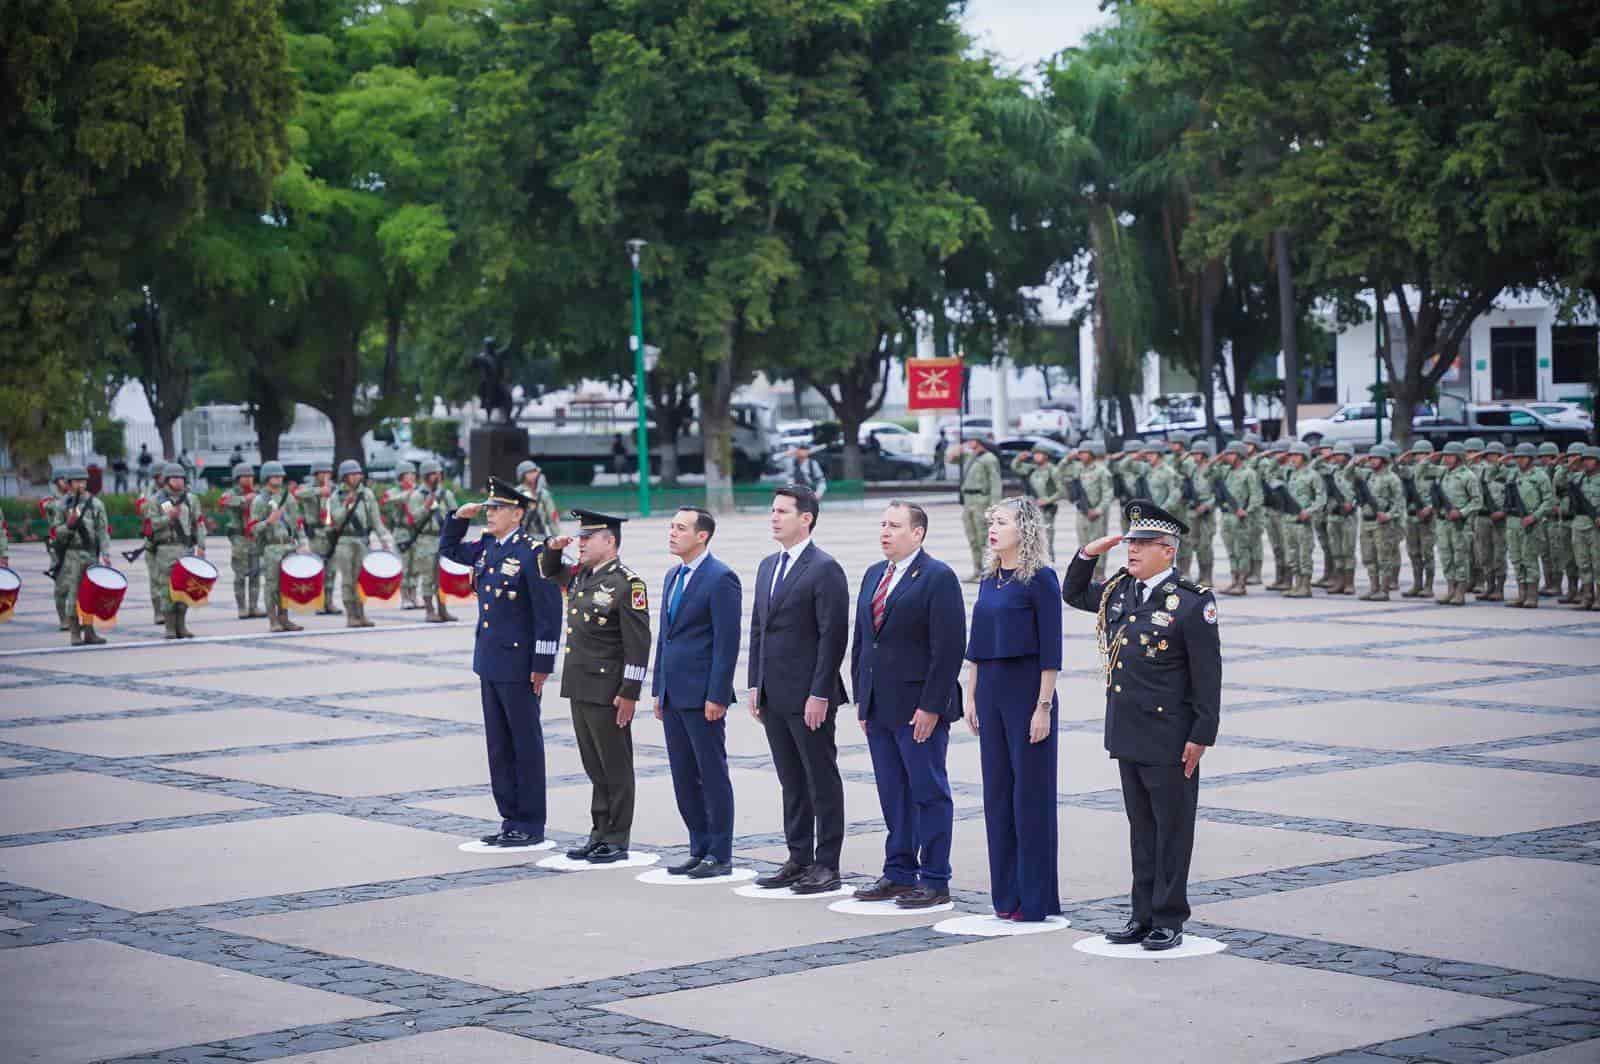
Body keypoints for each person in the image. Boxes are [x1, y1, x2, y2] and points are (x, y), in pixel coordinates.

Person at [1063, 499, 1221, 951]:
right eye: (1130, 542)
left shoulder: (1191, 603)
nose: (1131, 550)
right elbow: (1073, 594)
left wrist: (1200, 735)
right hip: (1128, 732)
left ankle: (1169, 917)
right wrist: (1088, 554)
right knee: (1141, 828)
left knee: (1172, 827)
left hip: (1170, 736)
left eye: (1142, 543)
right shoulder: (1120, 591)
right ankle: (1142, 914)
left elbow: (1207, 677)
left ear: (1167, 551)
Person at [851, 501, 966, 909]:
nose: (885, 532)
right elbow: (862, 642)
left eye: (895, 526)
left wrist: (932, 706)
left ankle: (935, 878)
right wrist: (862, 701)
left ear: (917, 533)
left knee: (928, 792)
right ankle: (899, 871)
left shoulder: (938, 577)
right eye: (883, 524)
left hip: (918, 708)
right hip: (880, 705)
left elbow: (949, 648)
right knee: (892, 792)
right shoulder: (872, 575)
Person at [441, 478, 563, 848]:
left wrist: (542, 665)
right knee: (498, 745)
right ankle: (510, 818)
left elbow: (548, 613)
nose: (489, 513)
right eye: (488, 507)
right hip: (490, 661)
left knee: (524, 743)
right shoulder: (488, 547)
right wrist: (457, 517)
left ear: (518, 513)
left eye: (497, 508)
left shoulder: (534, 552)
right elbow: (448, 551)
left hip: (520, 664)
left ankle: (530, 822)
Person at [748, 485, 850, 894]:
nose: (774, 518)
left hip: (810, 695)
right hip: (774, 692)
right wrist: (755, 682)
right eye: (772, 511)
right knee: (790, 778)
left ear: (805, 518)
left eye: (782, 511)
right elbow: (758, 629)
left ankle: (827, 863)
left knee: (819, 778)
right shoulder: (767, 566)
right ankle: (798, 857)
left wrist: (820, 693)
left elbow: (833, 636)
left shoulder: (824, 568)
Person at [963, 497, 1061, 922]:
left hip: (1027, 694)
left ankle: (1036, 899)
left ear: (1024, 528)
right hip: (990, 692)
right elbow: (977, 645)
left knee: (1031, 799)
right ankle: (1007, 897)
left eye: (1001, 522)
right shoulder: (989, 580)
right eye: (991, 522)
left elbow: (1051, 652)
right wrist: (970, 695)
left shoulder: (1041, 580)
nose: (993, 528)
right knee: (997, 796)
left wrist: (1043, 707)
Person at [539, 509, 652, 862]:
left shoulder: (627, 583)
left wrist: (629, 693)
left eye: (590, 537)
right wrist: (554, 548)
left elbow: (638, 644)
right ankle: (599, 832)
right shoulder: (581, 576)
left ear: (611, 541)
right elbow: (548, 569)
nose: (582, 542)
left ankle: (617, 837)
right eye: (581, 536)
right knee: (594, 765)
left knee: (615, 766)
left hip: (609, 691)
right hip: (580, 685)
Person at [653, 507, 742, 878]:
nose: (673, 533)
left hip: (703, 694)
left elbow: (726, 642)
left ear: (702, 536)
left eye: (681, 528)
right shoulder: (674, 575)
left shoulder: (721, 578)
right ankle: (698, 846)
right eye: (672, 527)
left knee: (711, 773)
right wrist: (658, 688)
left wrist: (718, 695)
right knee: (684, 775)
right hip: (674, 693)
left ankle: (719, 853)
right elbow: (665, 637)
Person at [328, 459, 395, 628]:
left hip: (362, 540)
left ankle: (361, 613)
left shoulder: (367, 494)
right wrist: (346, 505)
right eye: (352, 474)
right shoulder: (336, 496)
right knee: (348, 580)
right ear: (344, 477)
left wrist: (384, 539)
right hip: (344, 540)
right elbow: (335, 518)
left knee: (361, 579)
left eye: (358, 473)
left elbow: (375, 520)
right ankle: (351, 615)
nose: (356, 477)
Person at [50, 467, 112, 646]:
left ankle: (90, 631)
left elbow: (103, 531)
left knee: (90, 595)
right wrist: (68, 526)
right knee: (73, 593)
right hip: (71, 554)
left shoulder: (96, 504)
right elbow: (55, 533)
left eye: (83, 481)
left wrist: (105, 553)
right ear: (69, 484)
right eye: (76, 482)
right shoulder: (61, 505)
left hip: (91, 554)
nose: (80, 485)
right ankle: (75, 633)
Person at [148, 463, 207, 639]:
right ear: (166, 480)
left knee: (184, 589)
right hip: (165, 549)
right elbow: (151, 526)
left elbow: (199, 523)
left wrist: (201, 546)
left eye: (181, 478)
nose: (179, 481)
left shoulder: (191, 499)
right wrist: (168, 518)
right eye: (174, 478)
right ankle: (170, 627)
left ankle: (182, 625)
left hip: (185, 548)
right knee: (167, 589)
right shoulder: (158, 500)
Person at [249, 462, 309, 633]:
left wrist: (303, 542)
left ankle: (285, 618)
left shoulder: (288, 498)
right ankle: (273, 620)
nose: (279, 478)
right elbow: (252, 528)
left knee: (287, 585)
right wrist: (269, 521)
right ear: (266, 478)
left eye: (280, 476)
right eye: (275, 476)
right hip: (271, 548)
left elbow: (297, 523)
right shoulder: (260, 500)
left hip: (288, 546)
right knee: (272, 586)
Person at [406, 459, 458, 623]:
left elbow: (456, 515)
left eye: (439, 473)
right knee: (428, 576)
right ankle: (430, 610)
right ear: (426, 476)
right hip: (425, 539)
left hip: (443, 538)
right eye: (433, 474)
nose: (437, 477)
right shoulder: (416, 496)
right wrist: (425, 507)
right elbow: (412, 519)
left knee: (442, 577)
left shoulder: (446, 494)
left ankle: (443, 609)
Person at [1432, 441, 1483, 605]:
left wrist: (1461, 512)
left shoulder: (1468, 476)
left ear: (1459, 457)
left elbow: (1477, 501)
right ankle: (1450, 590)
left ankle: (1460, 591)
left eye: (1450, 455)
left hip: (1460, 524)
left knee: (1460, 557)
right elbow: (1421, 471)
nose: (1447, 458)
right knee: (1446, 557)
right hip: (1443, 522)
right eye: (1445, 455)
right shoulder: (1442, 474)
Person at [1504, 442, 1553, 609]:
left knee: (1529, 559)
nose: (1519, 461)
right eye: (1517, 457)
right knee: (1516, 559)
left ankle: (1532, 596)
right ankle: (1521, 594)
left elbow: (1548, 501)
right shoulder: (1512, 475)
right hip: (1513, 522)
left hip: (1531, 522)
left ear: (1531, 458)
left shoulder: (1540, 476)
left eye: (1523, 457)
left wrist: (1535, 516)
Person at [1358, 445, 1406, 601]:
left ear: (1384, 460)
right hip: (1366, 522)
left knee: (1383, 558)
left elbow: (1399, 502)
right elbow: (1347, 474)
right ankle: (1373, 588)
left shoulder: (1392, 478)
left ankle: (1384, 590)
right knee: (1368, 557)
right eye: (1370, 458)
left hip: (1382, 524)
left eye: (1375, 458)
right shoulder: (1368, 476)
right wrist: (1356, 462)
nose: (1372, 461)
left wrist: (1389, 515)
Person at [1215, 442, 1263, 596]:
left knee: (1241, 550)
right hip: (1227, 516)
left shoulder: (1249, 473)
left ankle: (1241, 583)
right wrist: (1219, 458)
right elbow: (1207, 473)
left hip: (1240, 517)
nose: (1227, 457)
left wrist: (1247, 511)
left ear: (1239, 455)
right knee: (1231, 551)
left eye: (1231, 454)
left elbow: (1257, 496)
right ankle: (1234, 580)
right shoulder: (1226, 472)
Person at [219, 463, 265, 619]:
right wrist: (244, 499)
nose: (249, 479)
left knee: (255, 573)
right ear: (238, 479)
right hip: (239, 538)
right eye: (245, 476)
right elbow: (224, 502)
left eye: (251, 476)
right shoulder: (231, 493)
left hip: (255, 537)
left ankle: (254, 606)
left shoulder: (258, 493)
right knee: (240, 574)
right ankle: (241, 607)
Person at [1281, 442, 1326, 598]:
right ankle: (1297, 584)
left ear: (1305, 457)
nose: (1293, 458)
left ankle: (1305, 586)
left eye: (1296, 455)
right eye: (1291, 455)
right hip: (1289, 521)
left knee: (1304, 554)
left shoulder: (1313, 475)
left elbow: (1321, 498)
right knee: (1292, 555)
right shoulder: (1290, 474)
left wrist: (1309, 511)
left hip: (1302, 522)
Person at [956, 438, 1003, 582]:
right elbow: (950, 459)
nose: (969, 443)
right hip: (968, 502)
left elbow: (995, 482)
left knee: (984, 539)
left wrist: (994, 507)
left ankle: (988, 571)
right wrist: (957, 451)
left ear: (979, 442)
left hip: (981, 501)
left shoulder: (989, 458)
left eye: (971, 440)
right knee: (972, 539)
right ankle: (977, 570)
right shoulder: (970, 457)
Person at [298, 461, 342, 614]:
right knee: (319, 569)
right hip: (316, 534)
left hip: (331, 533)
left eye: (328, 473)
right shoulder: (309, 488)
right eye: (322, 473)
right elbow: (298, 494)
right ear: (315, 475)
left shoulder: (335, 490)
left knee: (332, 569)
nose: (326, 476)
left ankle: (329, 601)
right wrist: (319, 491)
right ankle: (319, 602)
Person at [1011, 447, 1062, 558]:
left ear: (1046, 456)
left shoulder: (1052, 470)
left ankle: (1049, 561)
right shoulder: (1032, 468)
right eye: (1035, 454)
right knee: (1031, 536)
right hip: (1032, 507)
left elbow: (1062, 491)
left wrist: (1047, 500)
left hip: (1046, 508)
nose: (1036, 457)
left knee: (1046, 537)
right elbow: (1015, 467)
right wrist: (1019, 458)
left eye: (1040, 454)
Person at [1073, 441, 1113, 579]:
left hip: (1097, 514)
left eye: (1084, 453)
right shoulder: (1078, 469)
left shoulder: (1102, 471)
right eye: (1080, 453)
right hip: (1082, 512)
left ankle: (1099, 574)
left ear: (1092, 454)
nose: (1081, 456)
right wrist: (1067, 459)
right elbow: (1060, 473)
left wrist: (1098, 510)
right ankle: (1087, 574)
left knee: (1098, 545)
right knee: (1084, 544)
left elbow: (1108, 493)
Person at [1476, 442, 1510, 602]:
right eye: (1488, 455)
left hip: (1500, 519)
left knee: (1499, 554)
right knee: (1484, 553)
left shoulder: (1510, 473)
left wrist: (1504, 512)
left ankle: (1499, 588)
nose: (1491, 458)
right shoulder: (1481, 472)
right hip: (1482, 517)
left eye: (1495, 455)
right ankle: (1489, 586)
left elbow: (1514, 497)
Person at [384, 461, 419, 609]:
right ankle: (405, 597)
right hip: (402, 532)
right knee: (405, 566)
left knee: (416, 566)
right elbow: (390, 500)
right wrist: (410, 492)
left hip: (416, 531)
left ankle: (414, 596)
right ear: (400, 477)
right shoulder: (393, 492)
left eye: (413, 475)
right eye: (407, 475)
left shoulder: (418, 492)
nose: (411, 478)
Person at [1571, 446, 1600, 611]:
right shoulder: (1578, 478)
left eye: (1590, 459)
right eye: (1585, 459)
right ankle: (1587, 596)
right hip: (1579, 523)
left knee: (1598, 563)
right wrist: (1571, 464)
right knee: (1582, 562)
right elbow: (1559, 483)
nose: (1586, 462)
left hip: (1595, 524)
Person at [517, 460, 561, 540]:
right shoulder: (517, 493)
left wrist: (556, 537)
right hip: (519, 536)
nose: (533, 475)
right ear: (522, 475)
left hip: (539, 535)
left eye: (534, 472)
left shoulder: (544, 495)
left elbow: (552, 518)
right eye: (529, 472)